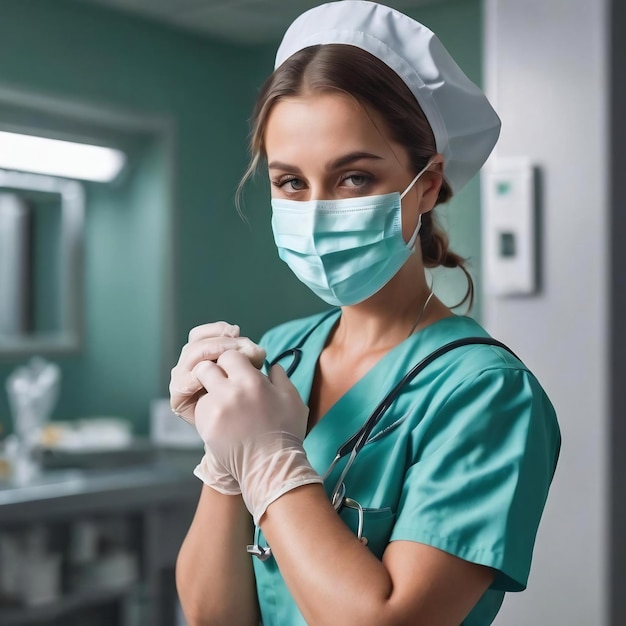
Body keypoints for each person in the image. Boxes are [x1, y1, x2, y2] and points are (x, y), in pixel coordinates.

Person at [170, 2, 561, 625]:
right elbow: (215, 617)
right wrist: (226, 459)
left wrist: (269, 461)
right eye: (291, 182)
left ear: (427, 185)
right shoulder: (282, 352)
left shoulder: (484, 393)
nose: (318, 210)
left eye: (352, 178)